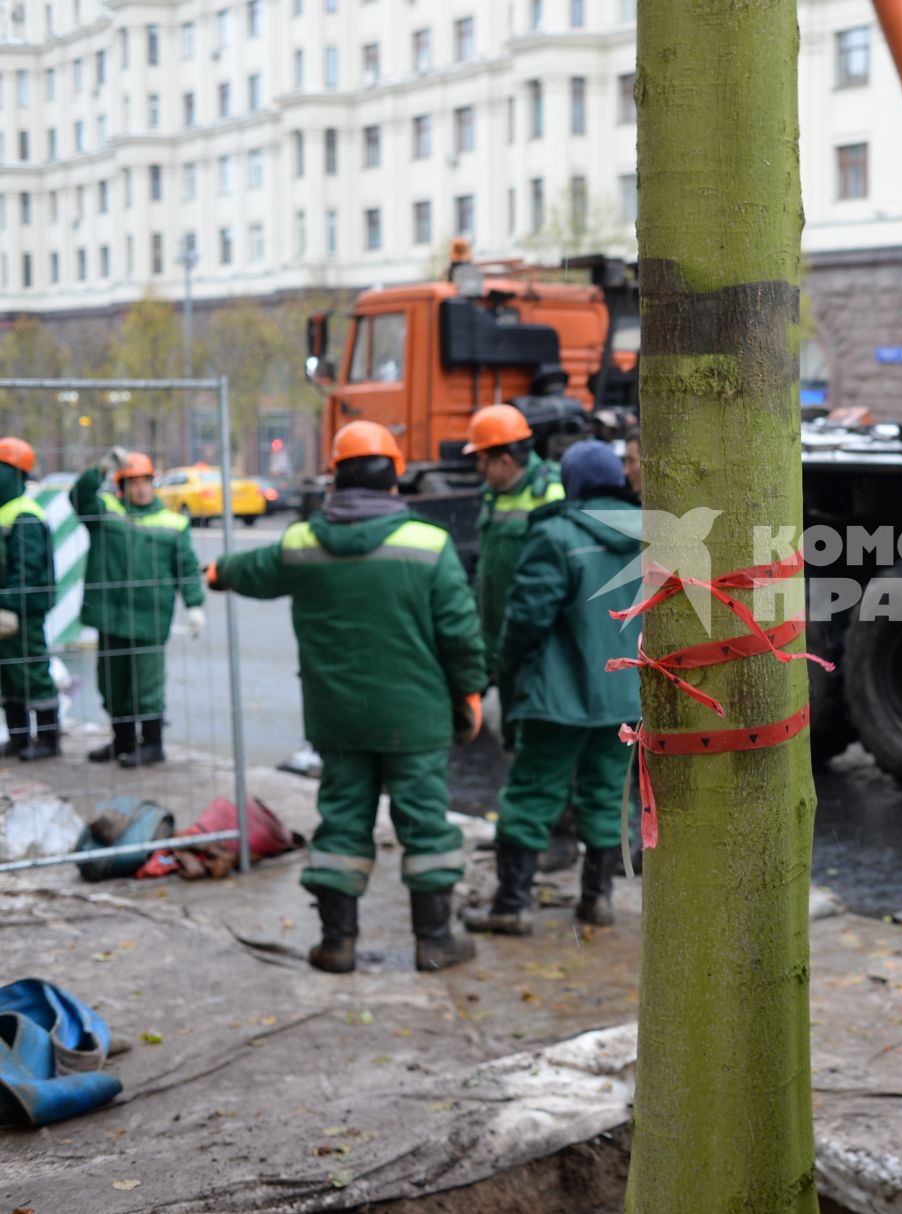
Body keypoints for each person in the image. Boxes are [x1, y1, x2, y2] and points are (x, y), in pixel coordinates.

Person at [207, 422, 488, 974]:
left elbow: (251, 570)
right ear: (396, 474)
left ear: (335, 475)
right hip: (416, 717)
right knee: (426, 823)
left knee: (341, 820)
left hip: (336, 718)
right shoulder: (428, 543)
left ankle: (338, 942)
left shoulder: (303, 543)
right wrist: (471, 692)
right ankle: (434, 940)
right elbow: (460, 634)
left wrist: (218, 574)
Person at [464, 440, 643, 935]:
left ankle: (511, 907)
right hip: (624, 696)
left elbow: (527, 618)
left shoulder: (556, 534)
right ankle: (597, 899)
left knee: (530, 794)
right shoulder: (651, 535)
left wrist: (507, 667)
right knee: (610, 796)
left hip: (557, 698)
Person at [70, 449, 206, 767]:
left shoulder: (173, 523)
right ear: (122, 486)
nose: (141, 488)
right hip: (112, 617)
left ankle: (153, 744)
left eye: (146, 481)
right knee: (112, 683)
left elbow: (186, 567)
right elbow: (78, 498)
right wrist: (99, 469)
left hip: (150, 618)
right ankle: (123, 741)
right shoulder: (107, 514)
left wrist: (195, 605)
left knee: (147, 685)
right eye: (133, 482)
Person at [465, 404, 566, 688]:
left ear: (506, 461)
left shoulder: (552, 493)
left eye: (483, 459)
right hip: (497, 636)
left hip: (534, 644)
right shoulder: (493, 495)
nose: (479, 468)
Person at [0, 437, 59, 761]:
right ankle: (19, 738)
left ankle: (49, 740)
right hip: (5, 611)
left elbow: (27, 572)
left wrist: (8, 602)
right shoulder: (5, 510)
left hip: (23, 612)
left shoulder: (25, 514)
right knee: (8, 675)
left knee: (33, 671)